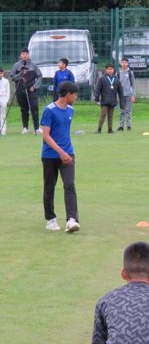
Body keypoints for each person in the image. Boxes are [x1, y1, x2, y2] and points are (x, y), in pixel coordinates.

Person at [41, 81, 80, 233]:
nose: (76, 97)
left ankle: (72, 220)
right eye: (75, 95)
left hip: (68, 154)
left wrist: (67, 153)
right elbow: (46, 135)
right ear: (68, 94)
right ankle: (50, 219)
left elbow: (64, 133)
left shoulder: (70, 110)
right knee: (49, 187)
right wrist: (60, 152)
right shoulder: (49, 110)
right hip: (50, 155)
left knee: (69, 185)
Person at [9, 48, 42, 134]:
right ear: (20, 55)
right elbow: (12, 76)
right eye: (23, 54)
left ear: (28, 55)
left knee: (34, 107)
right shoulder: (16, 65)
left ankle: (37, 127)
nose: (25, 55)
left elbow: (39, 76)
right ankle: (25, 127)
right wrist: (20, 75)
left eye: (26, 54)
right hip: (20, 90)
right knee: (24, 109)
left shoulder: (33, 65)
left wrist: (34, 86)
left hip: (31, 90)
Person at [95, 63, 124, 133]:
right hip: (104, 101)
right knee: (103, 115)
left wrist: (121, 103)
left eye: (111, 69)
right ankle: (99, 129)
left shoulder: (116, 79)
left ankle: (110, 129)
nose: (110, 70)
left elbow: (120, 92)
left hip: (113, 101)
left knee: (111, 116)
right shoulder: (102, 78)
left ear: (113, 70)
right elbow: (98, 89)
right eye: (109, 69)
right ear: (106, 70)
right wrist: (97, 98)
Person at [116, 58, 136, 131]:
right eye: (123, 62)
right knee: (121, 111)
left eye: (125, 62)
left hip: (128, 95)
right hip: (120, 95)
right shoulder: (118, 73)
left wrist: (133, 95)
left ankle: (129, 126)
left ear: (127, 64)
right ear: (120, 63)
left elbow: (133, 85)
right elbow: (116, 85)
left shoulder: (130, 73)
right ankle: (121, 126)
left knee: (128, 111)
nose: (124, 64)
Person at [0, 68, 10, 136]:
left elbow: (8, 91)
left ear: (3, 73)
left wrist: (6, 100)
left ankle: (3, 131)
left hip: (3, 98)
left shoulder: (6, 81)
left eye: (1, 73)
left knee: (3, 115)